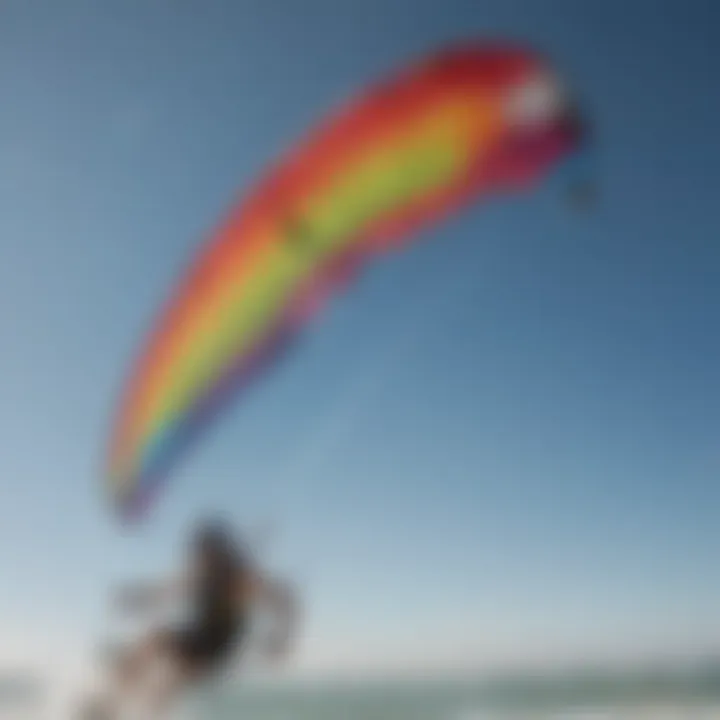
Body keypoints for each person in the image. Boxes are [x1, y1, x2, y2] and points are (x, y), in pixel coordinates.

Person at [83, 518, 299, 719]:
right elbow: (163, 591)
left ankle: (133, 703)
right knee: (155, 640)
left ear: (218, 554)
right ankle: (109, 704)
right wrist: (135, 598)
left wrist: (280, 639)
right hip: (197, 634)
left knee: (170, 682)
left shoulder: (239, 578)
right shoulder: (199, 573)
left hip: (219, 648)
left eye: (204, 556)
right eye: (199, 556)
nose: (199, 561)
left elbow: (284, 598)